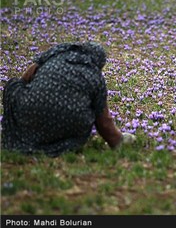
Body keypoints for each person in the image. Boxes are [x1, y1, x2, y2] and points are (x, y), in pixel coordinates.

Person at [1, 42, 136, 157]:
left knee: (14, 85)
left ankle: (26, 133)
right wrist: (119, 141)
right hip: (68, 127)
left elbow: (25, 79)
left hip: (30, 114)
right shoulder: (95, 76)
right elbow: (104, 124)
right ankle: (60, 142)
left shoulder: (54, 56)